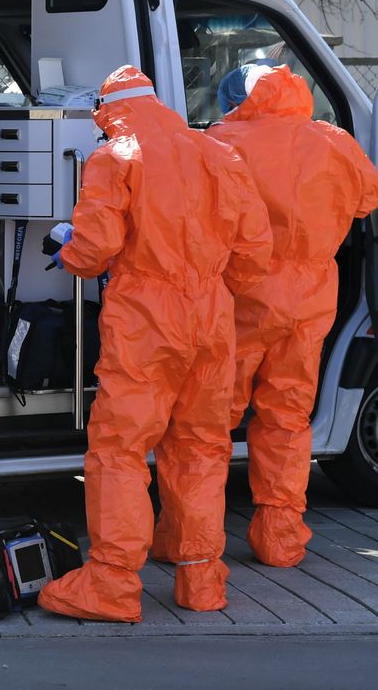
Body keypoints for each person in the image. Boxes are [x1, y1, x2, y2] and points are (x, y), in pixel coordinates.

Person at [36, 65, 272, 623]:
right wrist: (208, 285)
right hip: (211, 315)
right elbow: (256, 252)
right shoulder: (218, 152)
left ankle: (113, 585)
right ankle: (201, 581)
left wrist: (68, 252)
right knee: (200, 447)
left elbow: (93, 249)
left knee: (119, 449)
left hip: (146, 316)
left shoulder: (115, 155)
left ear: (109, 109)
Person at [196, 62, 378, 566]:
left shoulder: (221, 141)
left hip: (243, 297)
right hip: (312, 298)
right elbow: (366, 201)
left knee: (207, 424)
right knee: (288, 418)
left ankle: (192, 542)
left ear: (238, 99)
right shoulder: (336, 142)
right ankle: (279, 540)